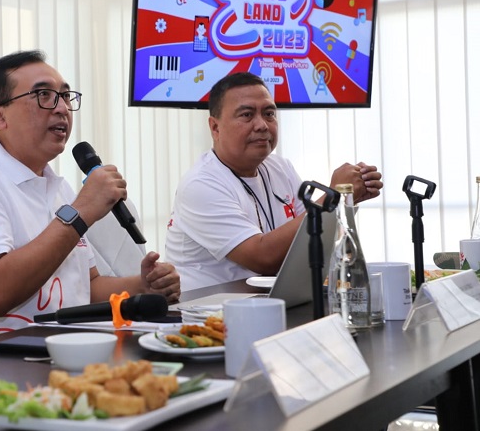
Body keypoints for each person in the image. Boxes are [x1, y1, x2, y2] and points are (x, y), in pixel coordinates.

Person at [0, 50, 181, 338]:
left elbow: (86, 288)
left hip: (73, 348)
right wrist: (81, 212)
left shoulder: (57, 186)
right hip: (10, 361)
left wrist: (142, 285)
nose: (61, 108)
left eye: (65, 96)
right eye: (44, 95)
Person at [164, 72, 383, 289]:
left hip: (274, 301)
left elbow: (308, 243)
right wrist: (334, 195)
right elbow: (263, 258)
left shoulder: (280, 168)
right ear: (215, 127)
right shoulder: (200, 185)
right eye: (247, 115)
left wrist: (348, 199)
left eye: (269, 114)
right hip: (209, 315)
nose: (262, 125)